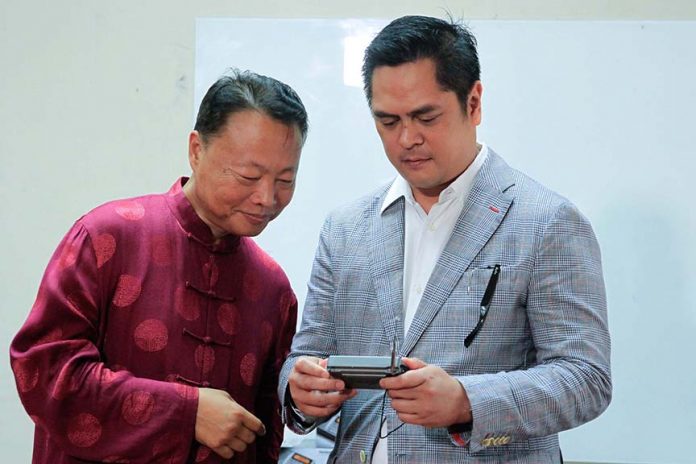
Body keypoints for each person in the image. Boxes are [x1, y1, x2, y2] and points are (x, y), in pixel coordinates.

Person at [279, 15, 611, 463]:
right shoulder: (345, 228)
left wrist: (466, 400)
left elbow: (585, 377)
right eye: (388, 121)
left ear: (473, 103)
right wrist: (299, 391)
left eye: (425, 116)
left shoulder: (547, 222)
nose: (407, 139)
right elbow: (307, 356)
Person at [10, 69, 308, 464]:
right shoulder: (106, 237)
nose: (267, 198)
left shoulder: (273, 289)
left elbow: (264, 435)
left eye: (285, 180)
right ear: (197, 150)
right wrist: (186, 412)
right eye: (248, 175)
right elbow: (43, 370)